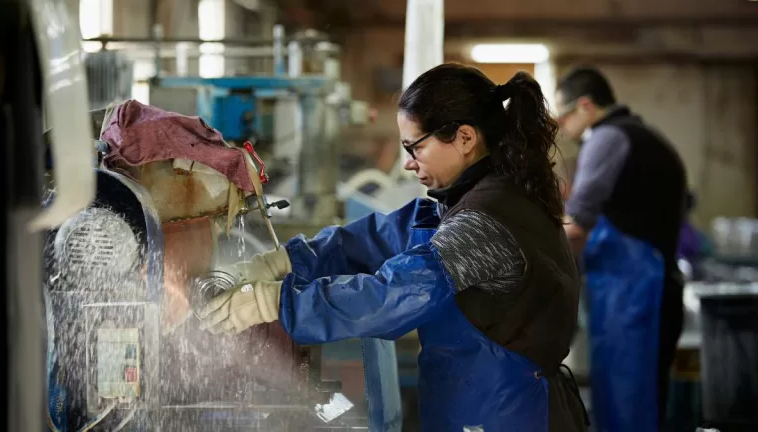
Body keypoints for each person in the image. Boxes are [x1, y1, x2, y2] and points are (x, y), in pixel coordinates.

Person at [199, 63, 588, 432]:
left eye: (414, 147)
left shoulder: (484, 223)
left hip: (508, 414)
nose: (407, 163)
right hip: (477, 405)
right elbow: (382, 235)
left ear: (465, 138)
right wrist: (285, 261)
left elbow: (391, 294)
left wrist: (274, 303)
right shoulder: (473, 198)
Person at [554, 66, 688, 432]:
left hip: (637, 292)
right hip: (630, 290)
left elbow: (577, 222)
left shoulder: (608, 138)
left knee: (631, 403)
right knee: (623, 399)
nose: (563, 127)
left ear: (585, 106)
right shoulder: (638, 134)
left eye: (564, 116)